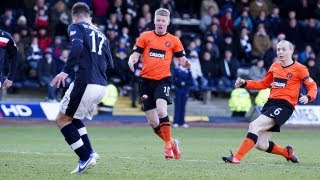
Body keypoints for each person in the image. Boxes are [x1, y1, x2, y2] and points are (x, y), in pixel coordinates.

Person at [222, 40, 317, 164]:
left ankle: (236, 158)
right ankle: (286, 152)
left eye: (283, 49)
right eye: (278, 49)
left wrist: (309, 97)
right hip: (270, 104)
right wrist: (245, 83)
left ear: (291, 51)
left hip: (284, 106)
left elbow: (312, 86)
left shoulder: (300, 68)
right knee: (261, 144)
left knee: (254, 125)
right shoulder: (275, 66)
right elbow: (263, 84)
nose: (280, 52)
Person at [50, 2, 113, 174]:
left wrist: (65, 71)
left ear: (74, 16)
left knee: (62, 120)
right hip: (101, 85)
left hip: (85, 81)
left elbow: (77, 46)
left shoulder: (76, 26)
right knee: (73, 116)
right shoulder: (102, 34)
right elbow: (110, 63)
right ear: (89, 16)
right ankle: (90, 151)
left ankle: (85, 157)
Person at [128, 8, 191, 159]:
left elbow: (181, 59)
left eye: (163, 21)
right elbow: (135, 54)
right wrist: (132, 60)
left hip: (163, 80)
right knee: (153, 122)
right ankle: (171, 142)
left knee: (162, 111)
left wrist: (186, 63)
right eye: (158, 20)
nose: (160, 23)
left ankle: (168, 147)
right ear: (154, 21)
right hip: (145, 82)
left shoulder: (174, 40)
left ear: (168, 22)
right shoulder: (145, 36)